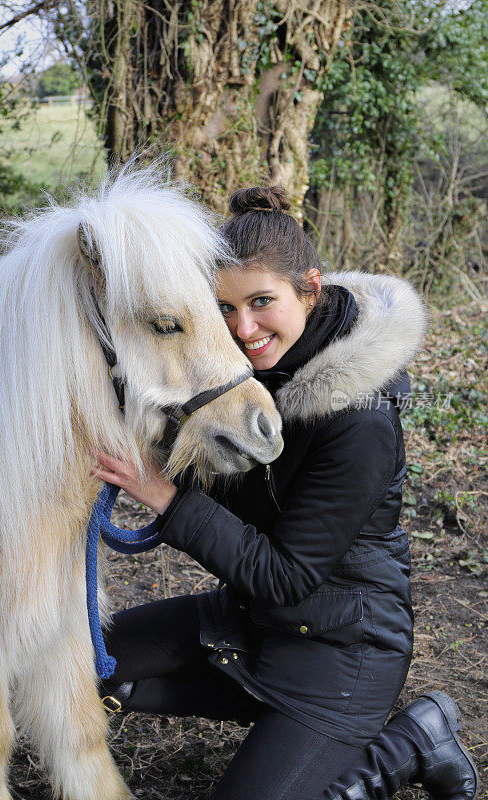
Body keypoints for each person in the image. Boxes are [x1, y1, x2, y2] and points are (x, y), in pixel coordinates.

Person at [92, 186, 478, 799]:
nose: (243, 328)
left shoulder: (360, 419)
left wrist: (163, 497)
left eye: (261, 301)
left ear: (311, 290)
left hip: (341, 654)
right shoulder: (242, 377)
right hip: (250, 627)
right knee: (87, 664)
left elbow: (285, 575)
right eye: (223, 308)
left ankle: (408, 745)